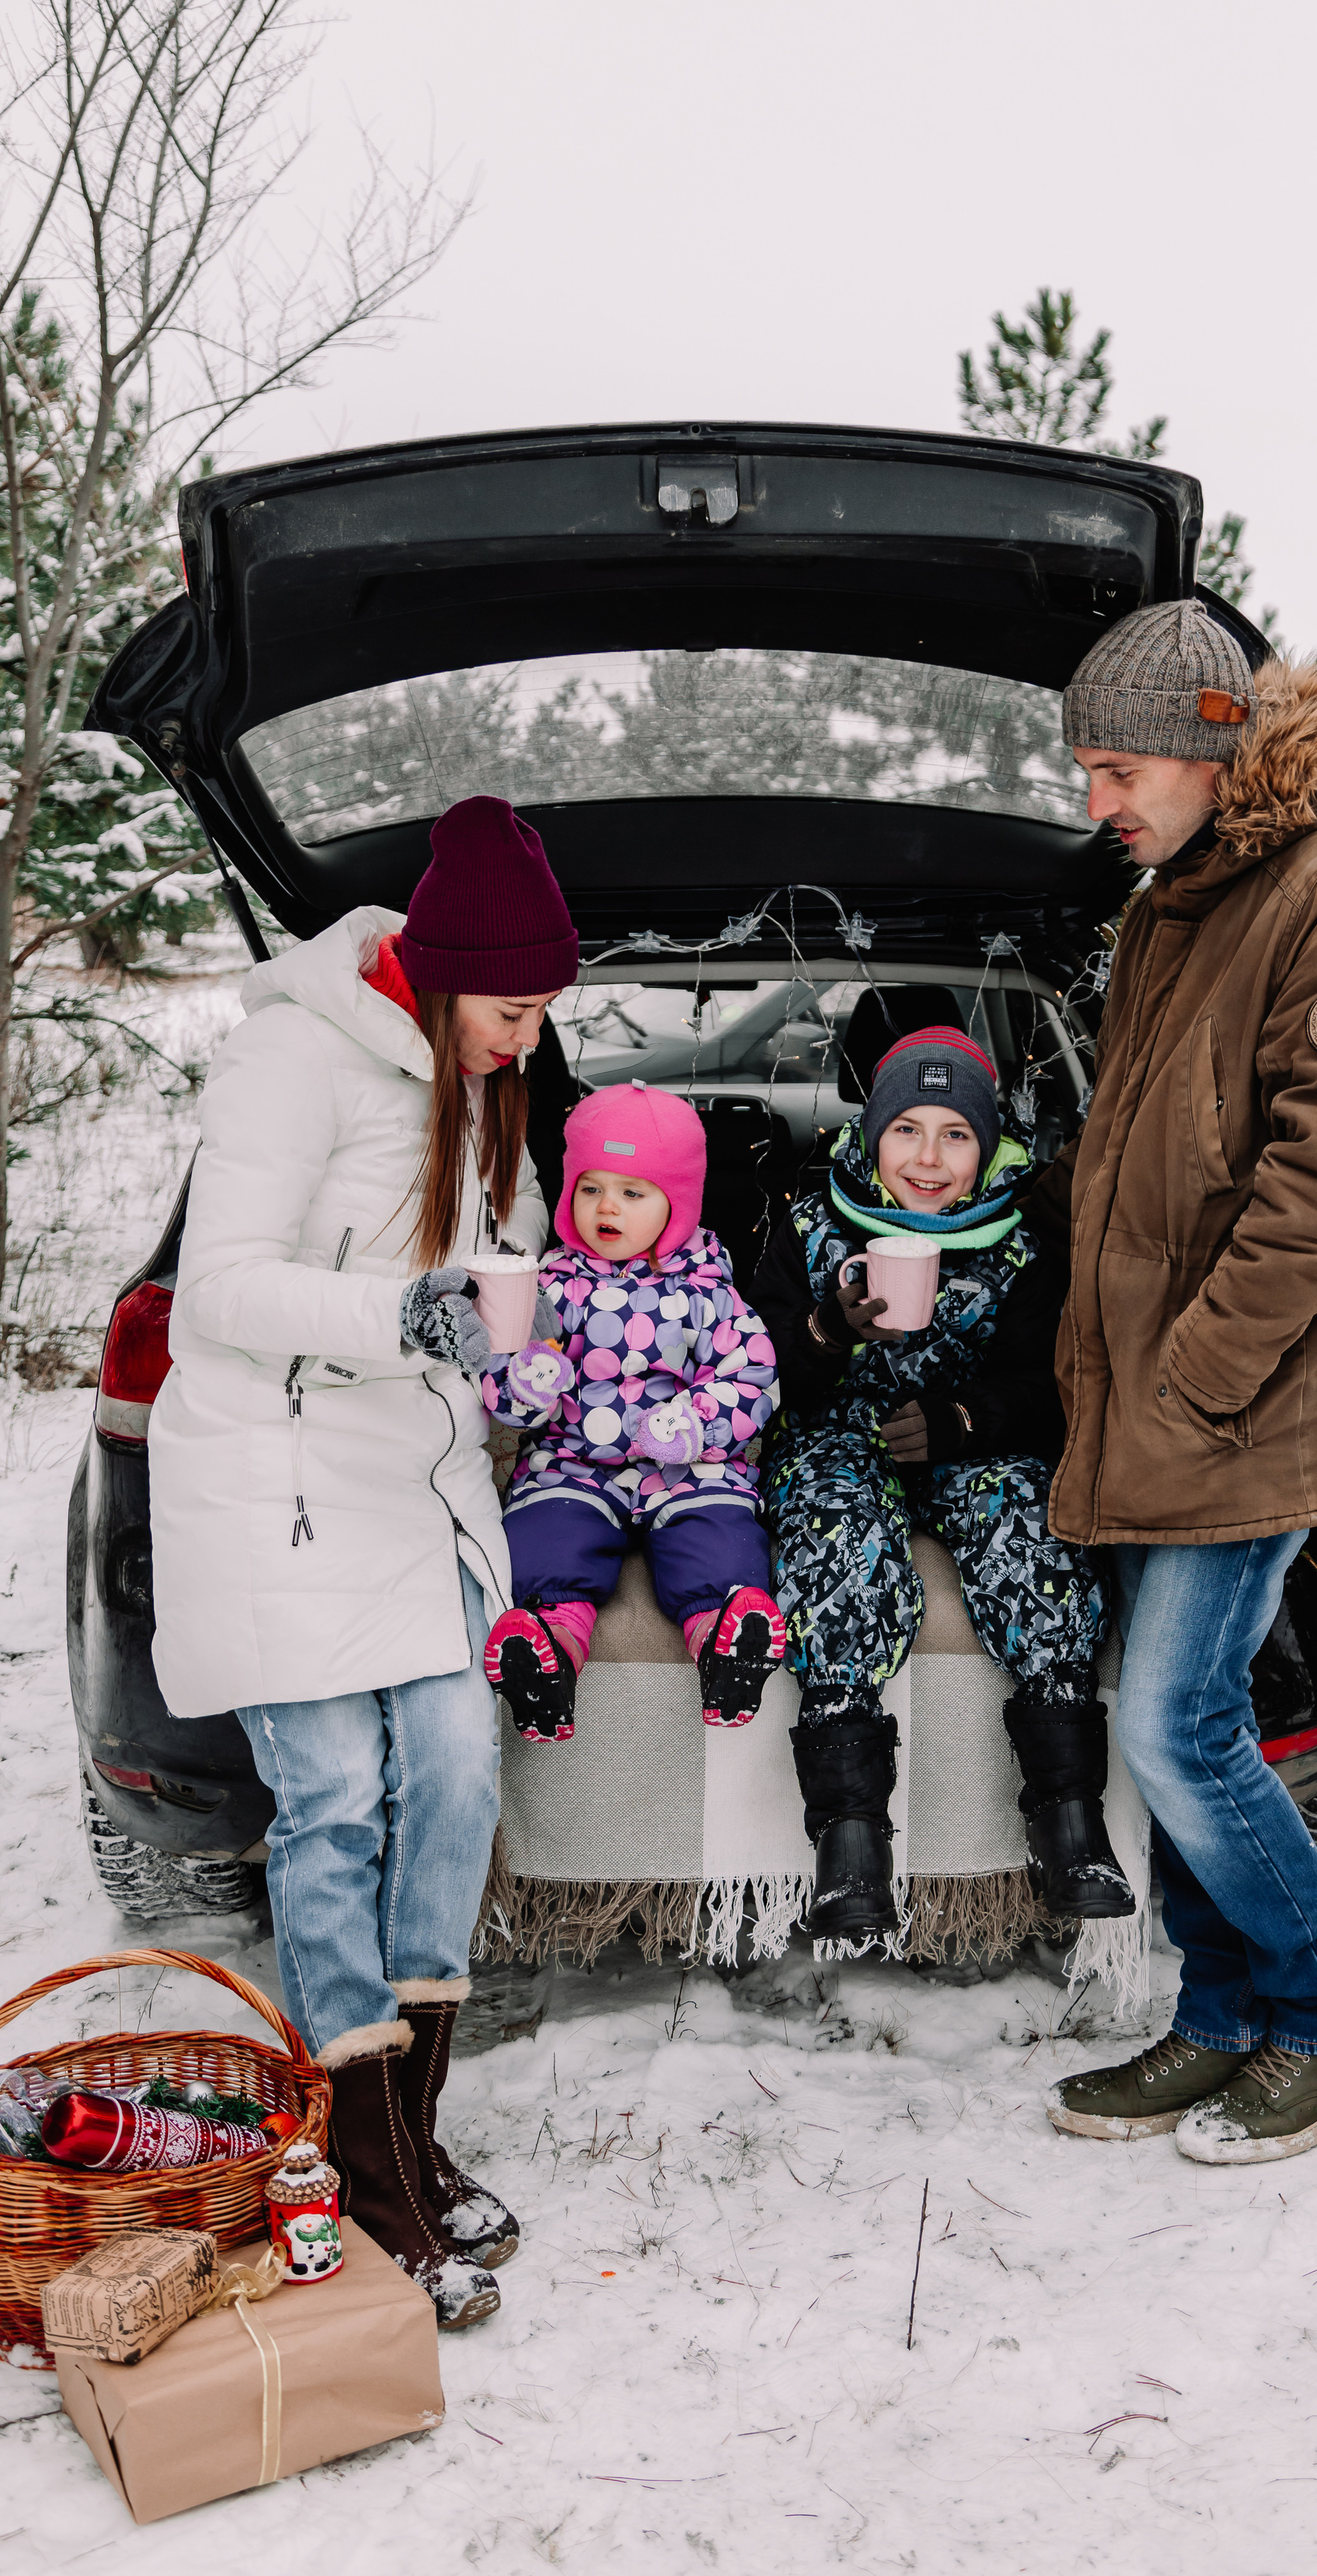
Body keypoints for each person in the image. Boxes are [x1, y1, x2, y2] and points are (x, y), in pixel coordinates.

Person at [147, 794, 579, 2325]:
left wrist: (502, 1338)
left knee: (457, 1771)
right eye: (515, 1010)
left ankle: (403, 2128)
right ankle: (372, 2179)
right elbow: (221, 1292)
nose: (525, 1041)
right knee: (331, 1799)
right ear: (448, 975)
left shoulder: (473, 1081)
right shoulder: (293, 1054)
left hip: (408, 1482)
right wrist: (407, 1318)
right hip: (277, 1485)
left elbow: (465, 1291)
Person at [1032, 600, 1317, 2164]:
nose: (1094, 803)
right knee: (1170, 1714)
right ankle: (1216, 2015)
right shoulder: (1184, 894)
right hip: (1161, 1397)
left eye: (1116, 766)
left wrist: (1195, 1367)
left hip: (1240, 1396)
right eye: (1084, 771)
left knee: (1177, 1726)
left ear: (1209, 751)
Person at [753, 1023, 1132, 1939]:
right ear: (872, 1138)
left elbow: (1053, 1385)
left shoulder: (1024, 1241)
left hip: (968, 1444)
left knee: (1029, 1532)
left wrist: (968, 1420)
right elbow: (756, 1372)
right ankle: (850, 1841)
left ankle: (1068, 1820)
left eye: (955, 1133)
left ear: (988, 1143)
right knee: (833, 1530)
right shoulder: (810, 1226)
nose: (929, 1157)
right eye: (907, 1130)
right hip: (841, 1438)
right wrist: (825, 1333)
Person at [480, 1081, 786, 1737]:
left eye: (631, 1191)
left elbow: (752, 1377)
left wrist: (699, 1422)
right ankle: (550, 1647)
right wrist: (527, 1384)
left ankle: (725, 1641)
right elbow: (502, 1381)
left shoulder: (709, 1291)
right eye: (590, 1188)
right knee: (542, 1542)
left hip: (688, 1467)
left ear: (676, 1204)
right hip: (573, 1465)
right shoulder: (547, 1289)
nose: (606, 1207)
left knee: (722, 1543)